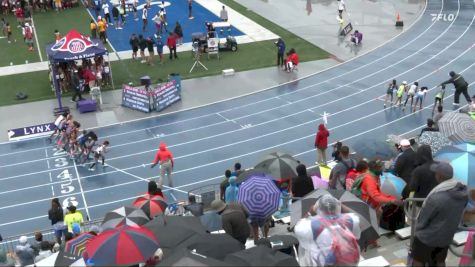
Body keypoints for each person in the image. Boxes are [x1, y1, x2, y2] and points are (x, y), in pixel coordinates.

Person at [411, 161, 468, 267]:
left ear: (439, 176)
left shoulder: (436, 198)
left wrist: (417, 230)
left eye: (436, 173)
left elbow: (423, 221)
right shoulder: (463, 193)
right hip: (446, 236)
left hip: (427, 238)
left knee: (418, 260)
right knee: (440, 260)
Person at [294, 195, 360, 267]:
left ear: (318, 208)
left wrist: (311, 211)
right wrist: (339, 204)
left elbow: (297, 227)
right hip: (349, 262)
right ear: (337, 206)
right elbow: (354, 216)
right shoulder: (349, 220)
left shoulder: (312, 225)